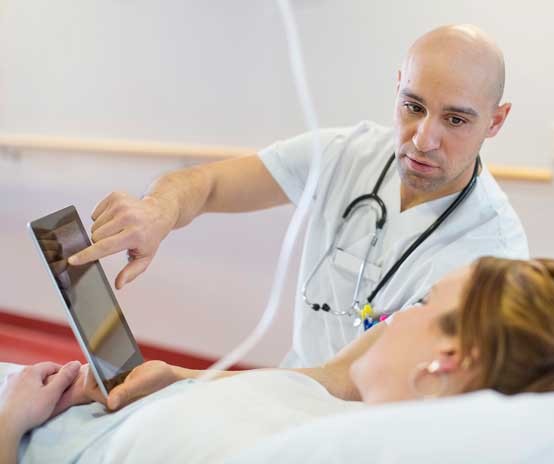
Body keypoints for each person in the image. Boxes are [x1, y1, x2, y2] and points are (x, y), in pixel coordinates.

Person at [65, 24, 528, 369]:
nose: (423, 139)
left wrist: (187, 382)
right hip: (289, 399)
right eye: (413, 106)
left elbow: (352, 382)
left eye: (456, 120)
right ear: (398, 85)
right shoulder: (349, 154)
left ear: (497, 120)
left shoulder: (494, 252)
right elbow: (209, 184)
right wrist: (157, 209)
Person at [2, 257, 554, 462]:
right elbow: (321, 377)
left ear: (450, 355)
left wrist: (11, 422)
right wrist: (179, 381)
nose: (394, 318)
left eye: (422, 304)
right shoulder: (336, 404)